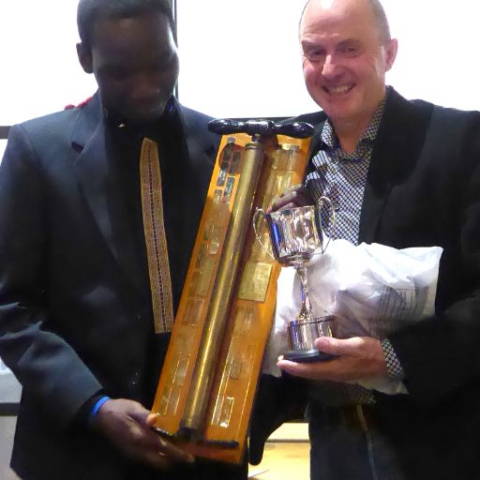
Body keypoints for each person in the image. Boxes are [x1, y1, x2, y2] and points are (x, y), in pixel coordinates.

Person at [0, 1, 247, 479]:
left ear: (176, 44)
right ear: (84, 57)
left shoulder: (225, 146)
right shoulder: (37, 151)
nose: (145, 86)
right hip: (78, 450)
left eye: (161, 64)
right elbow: (10, 305)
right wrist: (94, 406)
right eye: (120, 72)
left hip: (202, 451)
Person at [256, 0, 480, 479]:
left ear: (389, 53)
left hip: (442, 446)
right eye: (314, 52)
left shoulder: (462, 141)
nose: (329, 69)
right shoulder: (285, 154)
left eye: (349, 49)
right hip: (331, 439)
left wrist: (392, 358)